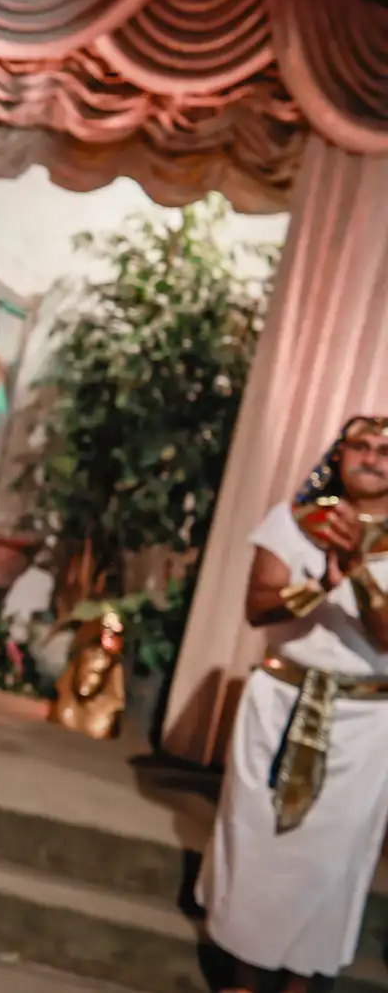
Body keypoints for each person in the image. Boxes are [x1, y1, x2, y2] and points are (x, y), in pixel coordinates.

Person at [197, 415, 388, 993]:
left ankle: (301, 984)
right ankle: (244, 976)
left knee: (332, 853)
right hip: (279, 699)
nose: (374, 458)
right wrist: (319, 587)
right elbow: (258, 607)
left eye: (386, 450)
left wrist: (358, 574)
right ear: (340, 453)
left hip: (364, 718)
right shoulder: (294, 521)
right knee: (255, 838)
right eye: (362, 446)